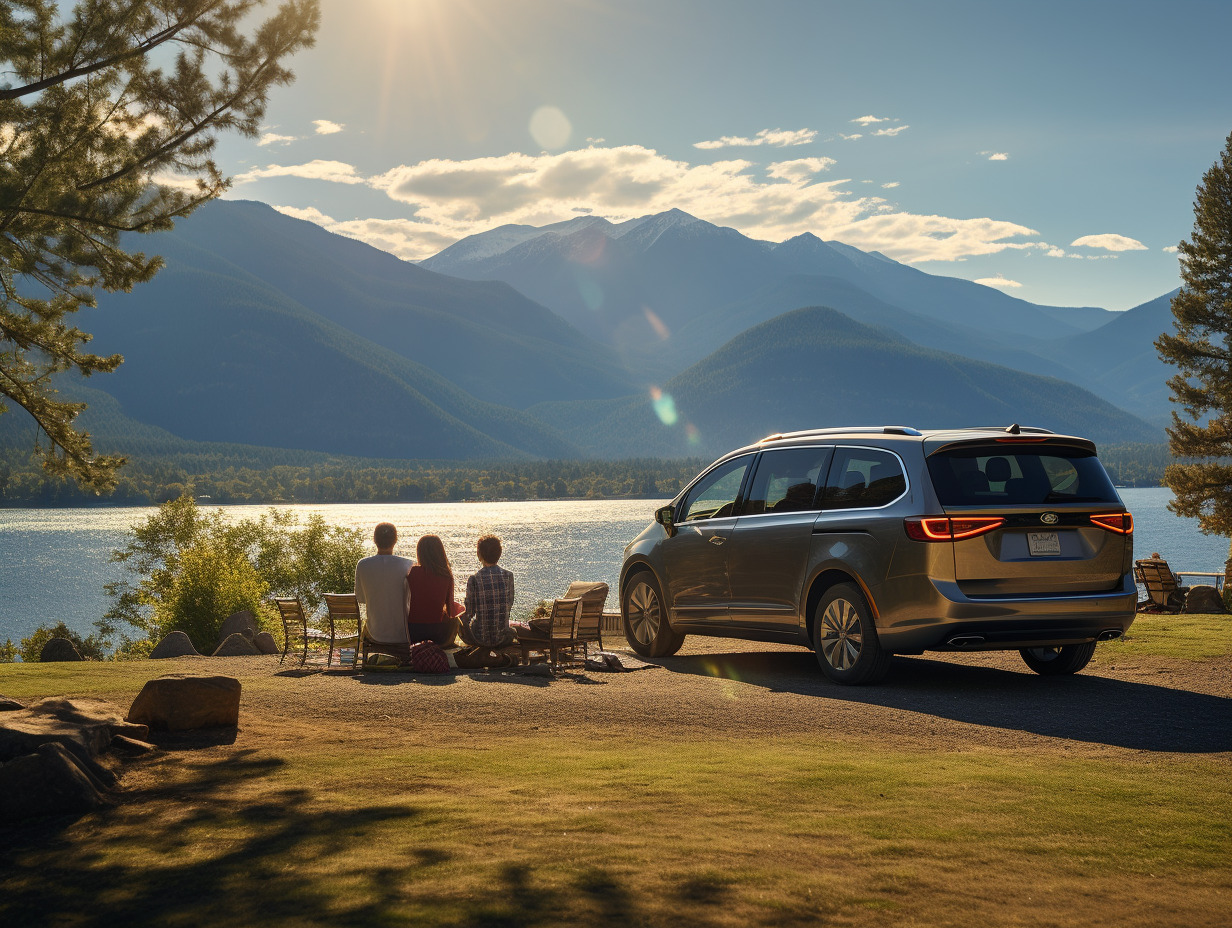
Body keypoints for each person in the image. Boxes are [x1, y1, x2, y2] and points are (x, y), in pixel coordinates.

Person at [354, 522, 413, 645]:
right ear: (395, 540)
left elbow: (360, 598)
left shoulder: (363, 565)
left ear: (374, 540)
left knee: (368, 625)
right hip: (403, 633)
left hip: (375, 632)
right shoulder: (408, 565)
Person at [459, 533, 516, 649]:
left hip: (479, 639)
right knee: (513, 630)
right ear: (499, 554)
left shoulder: (474, 579)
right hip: (503, 638)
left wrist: (458, 622)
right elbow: (508, 605)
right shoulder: (508, 576)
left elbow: (469, 613)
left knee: (462, 624)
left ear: (479, 554)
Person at [406, 534, 462, 646]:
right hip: (437, 634)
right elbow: (450, 610)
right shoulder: (446, 575)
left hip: (412, 632)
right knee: (458, 612)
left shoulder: (411, 572)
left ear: (420, 553)